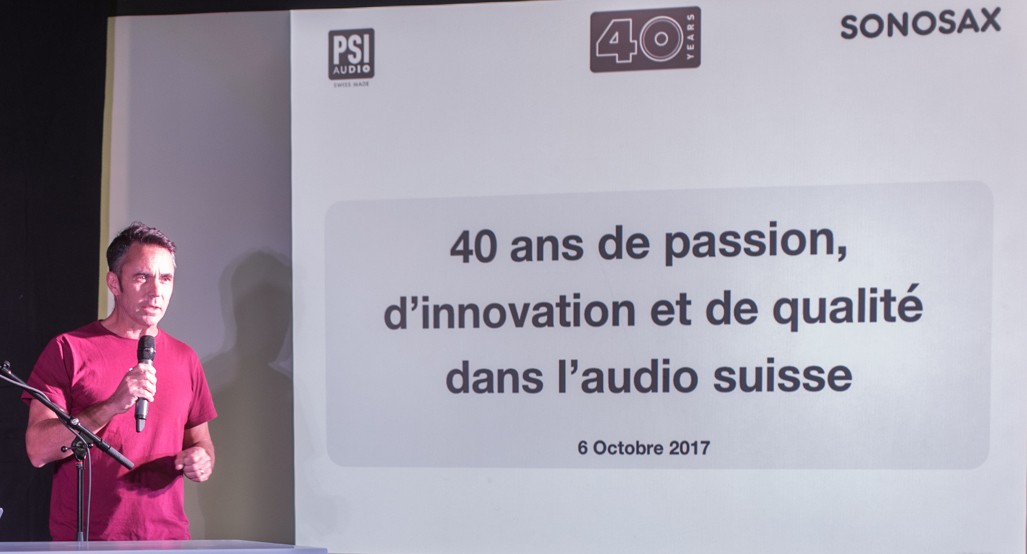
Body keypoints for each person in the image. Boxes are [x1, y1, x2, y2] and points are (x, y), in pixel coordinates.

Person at [23, 222, 217, 541]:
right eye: (142, 277)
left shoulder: (186, 358)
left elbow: (201, 443)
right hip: (87, 542)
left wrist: (201, 460)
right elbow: (38, 450)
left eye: (165, 278)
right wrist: (113, 405)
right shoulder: (68, 349)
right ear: (114, 283)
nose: (156, 291)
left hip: (167, 541)